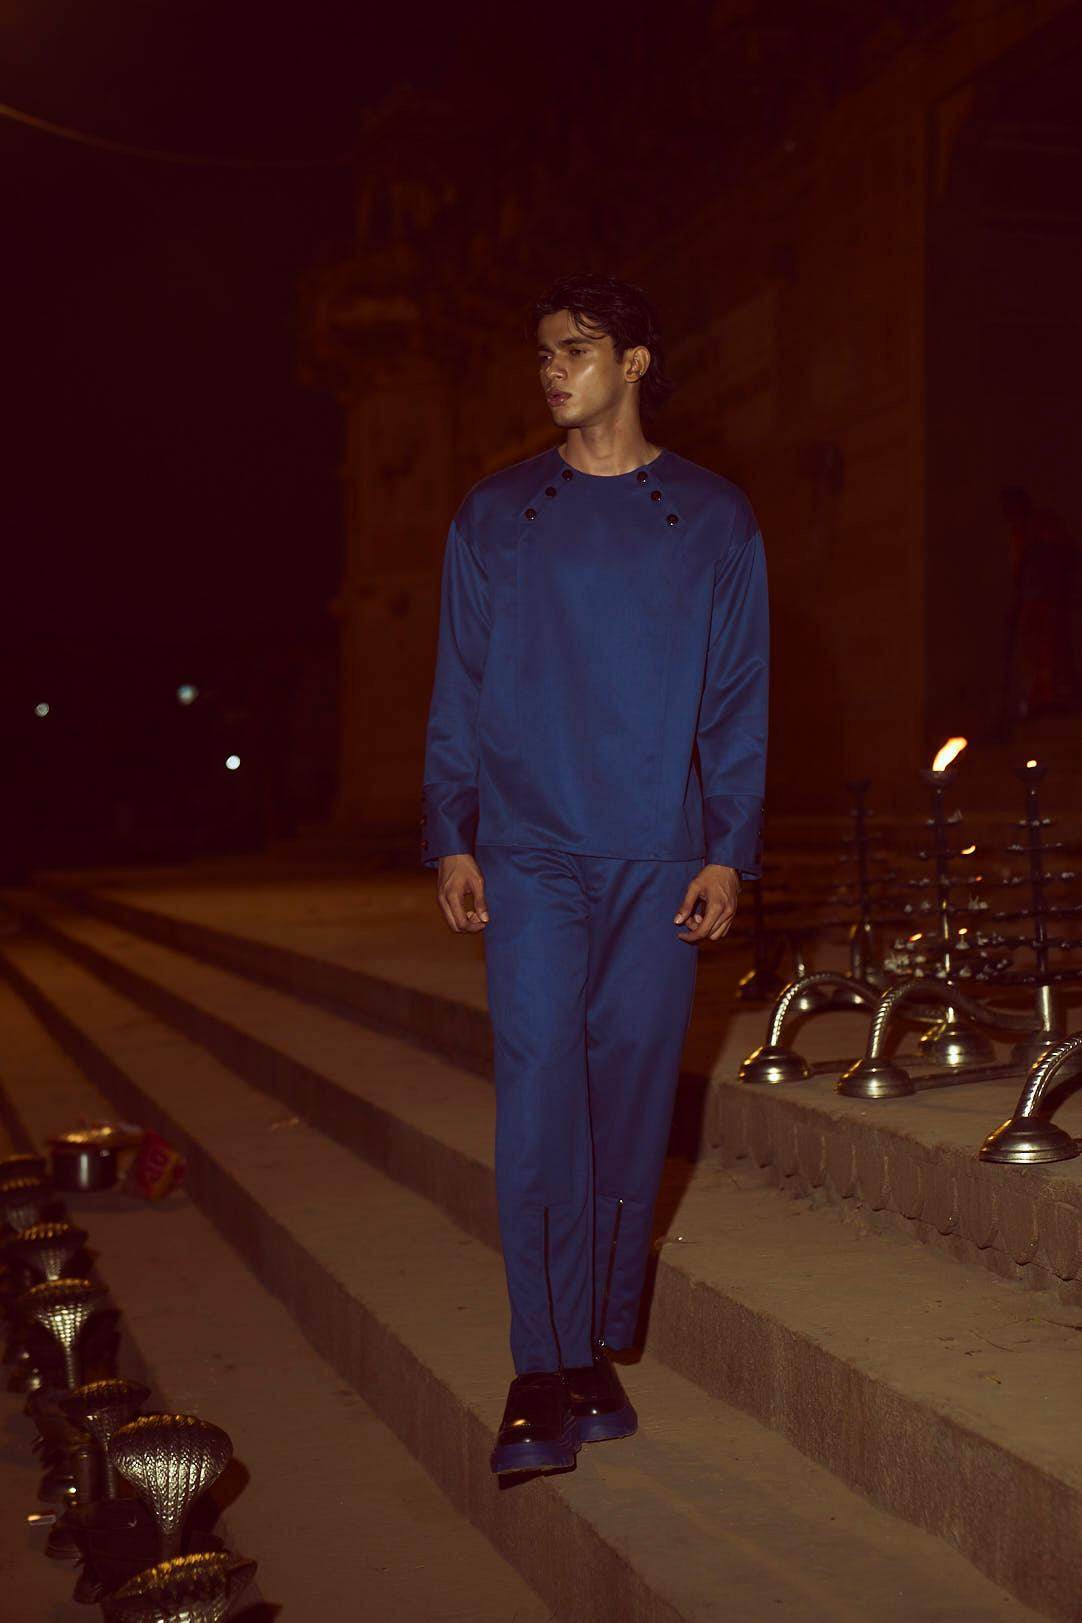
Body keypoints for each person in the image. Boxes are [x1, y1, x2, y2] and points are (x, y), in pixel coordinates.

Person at [420, 272, 770, 1475]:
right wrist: (451, 828)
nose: (551, 370)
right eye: (541, 353)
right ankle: (539, 1367)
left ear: (632, 362)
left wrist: (726, 848)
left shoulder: (713, 517)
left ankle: (591, 1347)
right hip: (528, 853)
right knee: (536, 1099)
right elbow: (460, 679)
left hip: (655, 853)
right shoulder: (495, 513)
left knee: (627, 1101)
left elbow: (735, 697)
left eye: (574, 349)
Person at [1001, 486, 1077, 719]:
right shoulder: (1019, 536)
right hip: (1034, 602)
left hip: (1049, 602)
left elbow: (1064, 559)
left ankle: (1054, 695)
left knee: (1050, 649)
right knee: (1034, 651)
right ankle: (1041, 696)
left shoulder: (1044, 529)